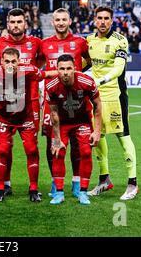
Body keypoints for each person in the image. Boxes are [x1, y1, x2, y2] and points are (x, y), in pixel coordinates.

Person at [0, 48, 55, 202]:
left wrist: (69, 72)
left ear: (19, 61)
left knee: (32, 150)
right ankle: (0, 190)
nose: (10, 64)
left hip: (25, 118)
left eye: (13, 61)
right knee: (2, 151)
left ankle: (33, 189)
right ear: (1, 62)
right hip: (3, 119)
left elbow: (46, 74)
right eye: (7, 61)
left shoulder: (29, 70)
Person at [38, 8, 91, 198]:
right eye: (57, 20)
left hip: (76, 98)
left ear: (70, 21)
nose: (61, 23)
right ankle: (55, 182)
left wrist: (76, 77)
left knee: (78, 142)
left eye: (64, 19)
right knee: (51, 141)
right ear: (52, 22)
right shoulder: (44, 44)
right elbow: (38, 68)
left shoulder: (80, 42)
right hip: (52, 96)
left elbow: (88, 62)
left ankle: (76, 183)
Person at [86, 6, 139, 200]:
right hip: (96, 98)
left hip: (116, 96)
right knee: (98, 136)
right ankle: (104, 180)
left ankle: (133, 183)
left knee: (123, 137)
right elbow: (81, 64)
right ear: (94, 20)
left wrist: (97, 82)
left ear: (112, 20)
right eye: (99, 18)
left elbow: (118, 69)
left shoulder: (120, 41)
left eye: (106, 18)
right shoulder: (89, 41)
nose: (102, 22)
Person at [0, 8, 42, 196]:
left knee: (31, 147)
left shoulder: (36, 43)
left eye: (19, 22)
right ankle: (5, 184)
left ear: (25, 24)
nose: (16, 25)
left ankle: (35, 188)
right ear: (7, 24)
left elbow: (41, 64)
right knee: (5, 147)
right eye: (12, 22)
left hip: (31, 102)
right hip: (4, 104)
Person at [45, 54, 102, 205]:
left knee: (85, 152)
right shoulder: (51, 86)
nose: (65, 72)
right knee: (57, 152)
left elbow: (97, 106)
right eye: (61, 69)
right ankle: (59, 193)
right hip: (62, 123)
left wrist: (97, 131)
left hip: (82, 121)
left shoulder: (86, 82)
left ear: (75, 68)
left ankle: (83, 192)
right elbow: (54, 114)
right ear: (56, 69)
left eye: (69, 68)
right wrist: (57, 140)